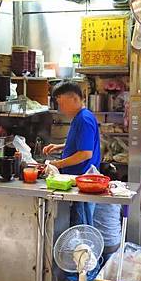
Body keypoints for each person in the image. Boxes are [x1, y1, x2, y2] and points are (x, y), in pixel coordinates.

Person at [43, 81, 101, 226]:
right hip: (78, 181)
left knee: (81, 226)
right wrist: (59, 147)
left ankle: (82, 249)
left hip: (82, 182)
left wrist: (57, 164)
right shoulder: (80, 117)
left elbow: (85, 153)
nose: (60, 108)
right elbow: (80, 144)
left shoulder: (84, 119)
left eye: (61, 103)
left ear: (75, 99)